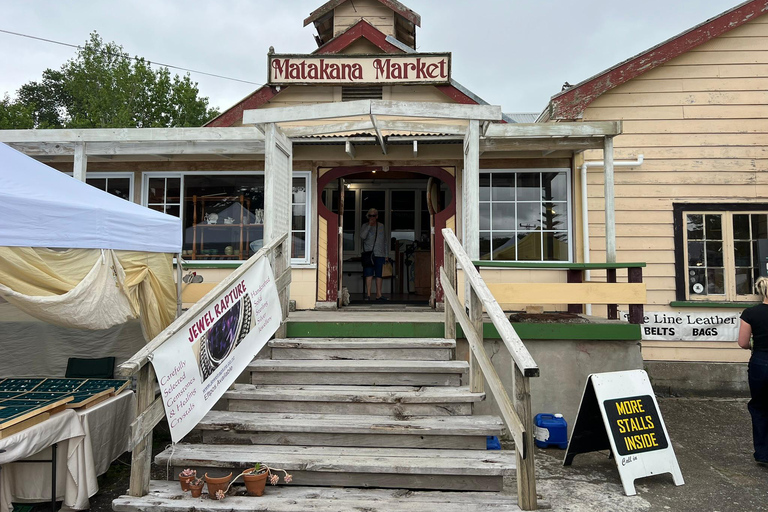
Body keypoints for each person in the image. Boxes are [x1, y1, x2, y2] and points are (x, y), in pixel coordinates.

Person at [738, 276, 768, 466]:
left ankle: (763, 454)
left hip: (761, 362)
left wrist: (754, 346)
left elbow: (742, 342)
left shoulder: (750, 313)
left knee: (759, 407)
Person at [360, 208, 388, 301]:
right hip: (369, 254)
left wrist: (386, 254)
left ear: (377, 216)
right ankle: (368, 294)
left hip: (380, 254)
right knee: (369, 274)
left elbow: (384, 241)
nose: (372, 217)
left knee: (379, 274)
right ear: (368, 216)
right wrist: (369, 226)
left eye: (374, 215)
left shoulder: (381, 226)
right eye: (370, 215)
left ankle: (378, 294)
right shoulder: (364, 226)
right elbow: (362, 236)